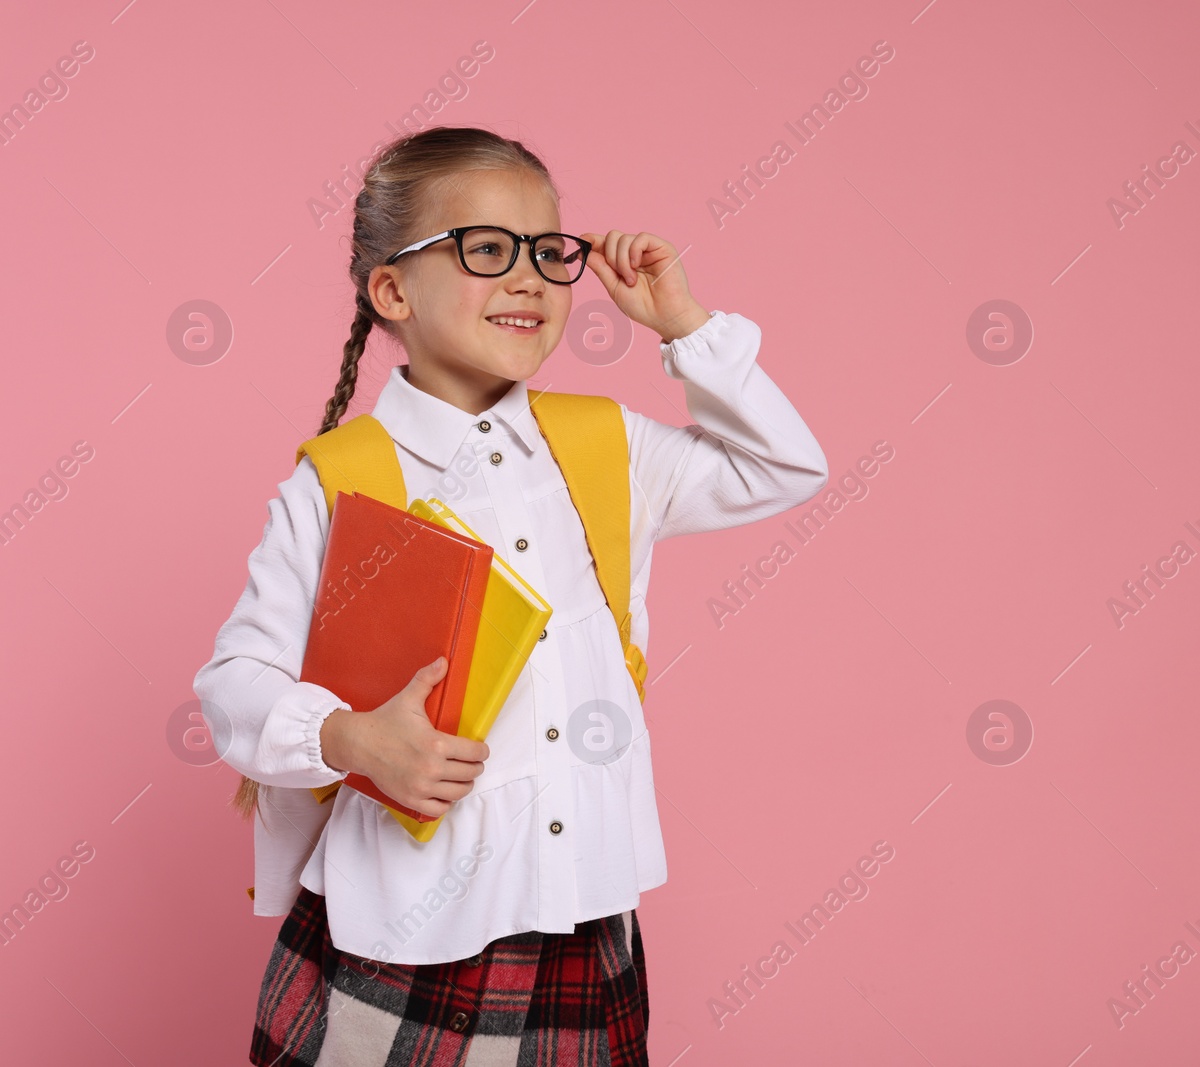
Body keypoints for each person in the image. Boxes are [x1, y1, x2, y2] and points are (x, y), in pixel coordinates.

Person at [192, 125, 829, 1066]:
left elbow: (786, 466)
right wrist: (349, 739)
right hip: (400, 940)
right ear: (393, 289)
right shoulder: (341, 478)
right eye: (488, 249)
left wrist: (684, 327)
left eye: (547, 251)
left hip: (582, 919)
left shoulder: (608, 445)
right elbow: (234, 680)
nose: (529, 276)